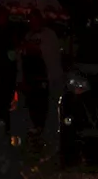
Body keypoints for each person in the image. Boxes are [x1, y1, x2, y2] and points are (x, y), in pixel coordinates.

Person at [21, 9, 65, 154]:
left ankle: (52, 137)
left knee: (52, 108)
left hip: (51, 78)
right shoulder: (28, 35)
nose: (32, 23)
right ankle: (38, 135)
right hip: (35, 81)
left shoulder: (49, 35)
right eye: (30, 20)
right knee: (36, 109)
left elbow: (48, 54)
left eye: (34, 19)